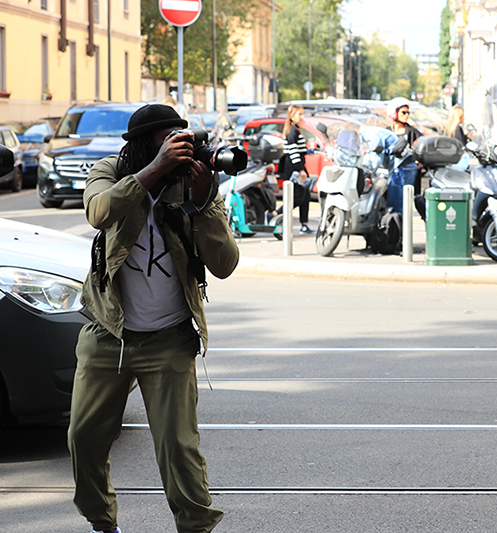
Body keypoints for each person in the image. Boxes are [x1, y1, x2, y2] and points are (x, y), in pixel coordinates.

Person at [67, 104, 239, 533]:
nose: (178, 151)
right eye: (168, 143)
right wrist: (152, 172)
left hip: (169, 339)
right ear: (145, 146)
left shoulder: (192, 185)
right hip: (108, 333)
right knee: (84, 439)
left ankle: (196, 528)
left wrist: (204, 202)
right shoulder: (113, 169)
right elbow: (98, 211)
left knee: (179, 449)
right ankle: (102, 522)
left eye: (181, 141)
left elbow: (225, 264)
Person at [278, 104, 313, 233]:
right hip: (294, 168)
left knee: (306, 196)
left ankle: (304, 224)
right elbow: (293, 153)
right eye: (299, 114)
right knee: (297, 198)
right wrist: (301, 170)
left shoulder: (295, 129)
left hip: (298, 166)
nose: (302, 117)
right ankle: (276, 214)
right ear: (291, 116)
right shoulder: (292, 131)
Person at [386, 97, 423, 211]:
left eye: (408, 113)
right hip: (389, 172)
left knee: (404, 201)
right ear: (394, 113)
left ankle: (401, 220)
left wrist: (418, 163)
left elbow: (423, 148)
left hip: (406, 172)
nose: (406, 115)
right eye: (403, 112)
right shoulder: (387, 132)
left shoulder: (412, 132)